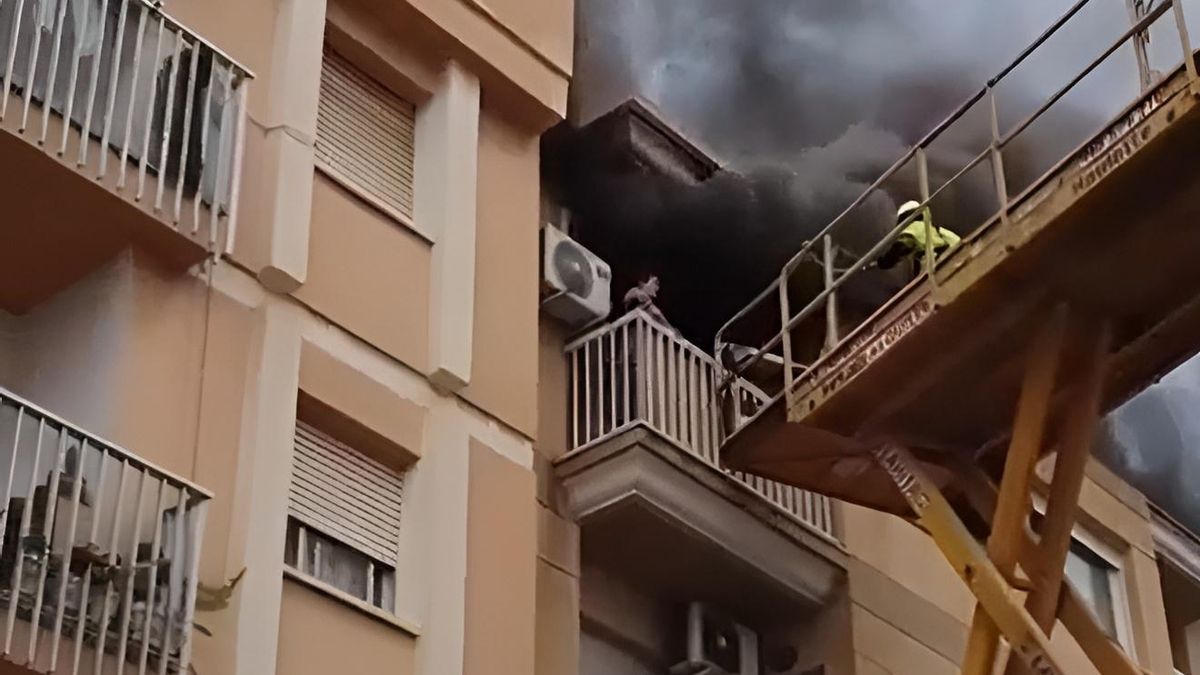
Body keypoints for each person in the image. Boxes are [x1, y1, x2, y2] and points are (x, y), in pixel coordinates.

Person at [877, 200, 961, 273]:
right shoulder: (934, 229)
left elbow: (901, 247)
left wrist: (885, 261)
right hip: (956, 257)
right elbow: (956, 241)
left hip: (939, 263)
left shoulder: (914, 227)